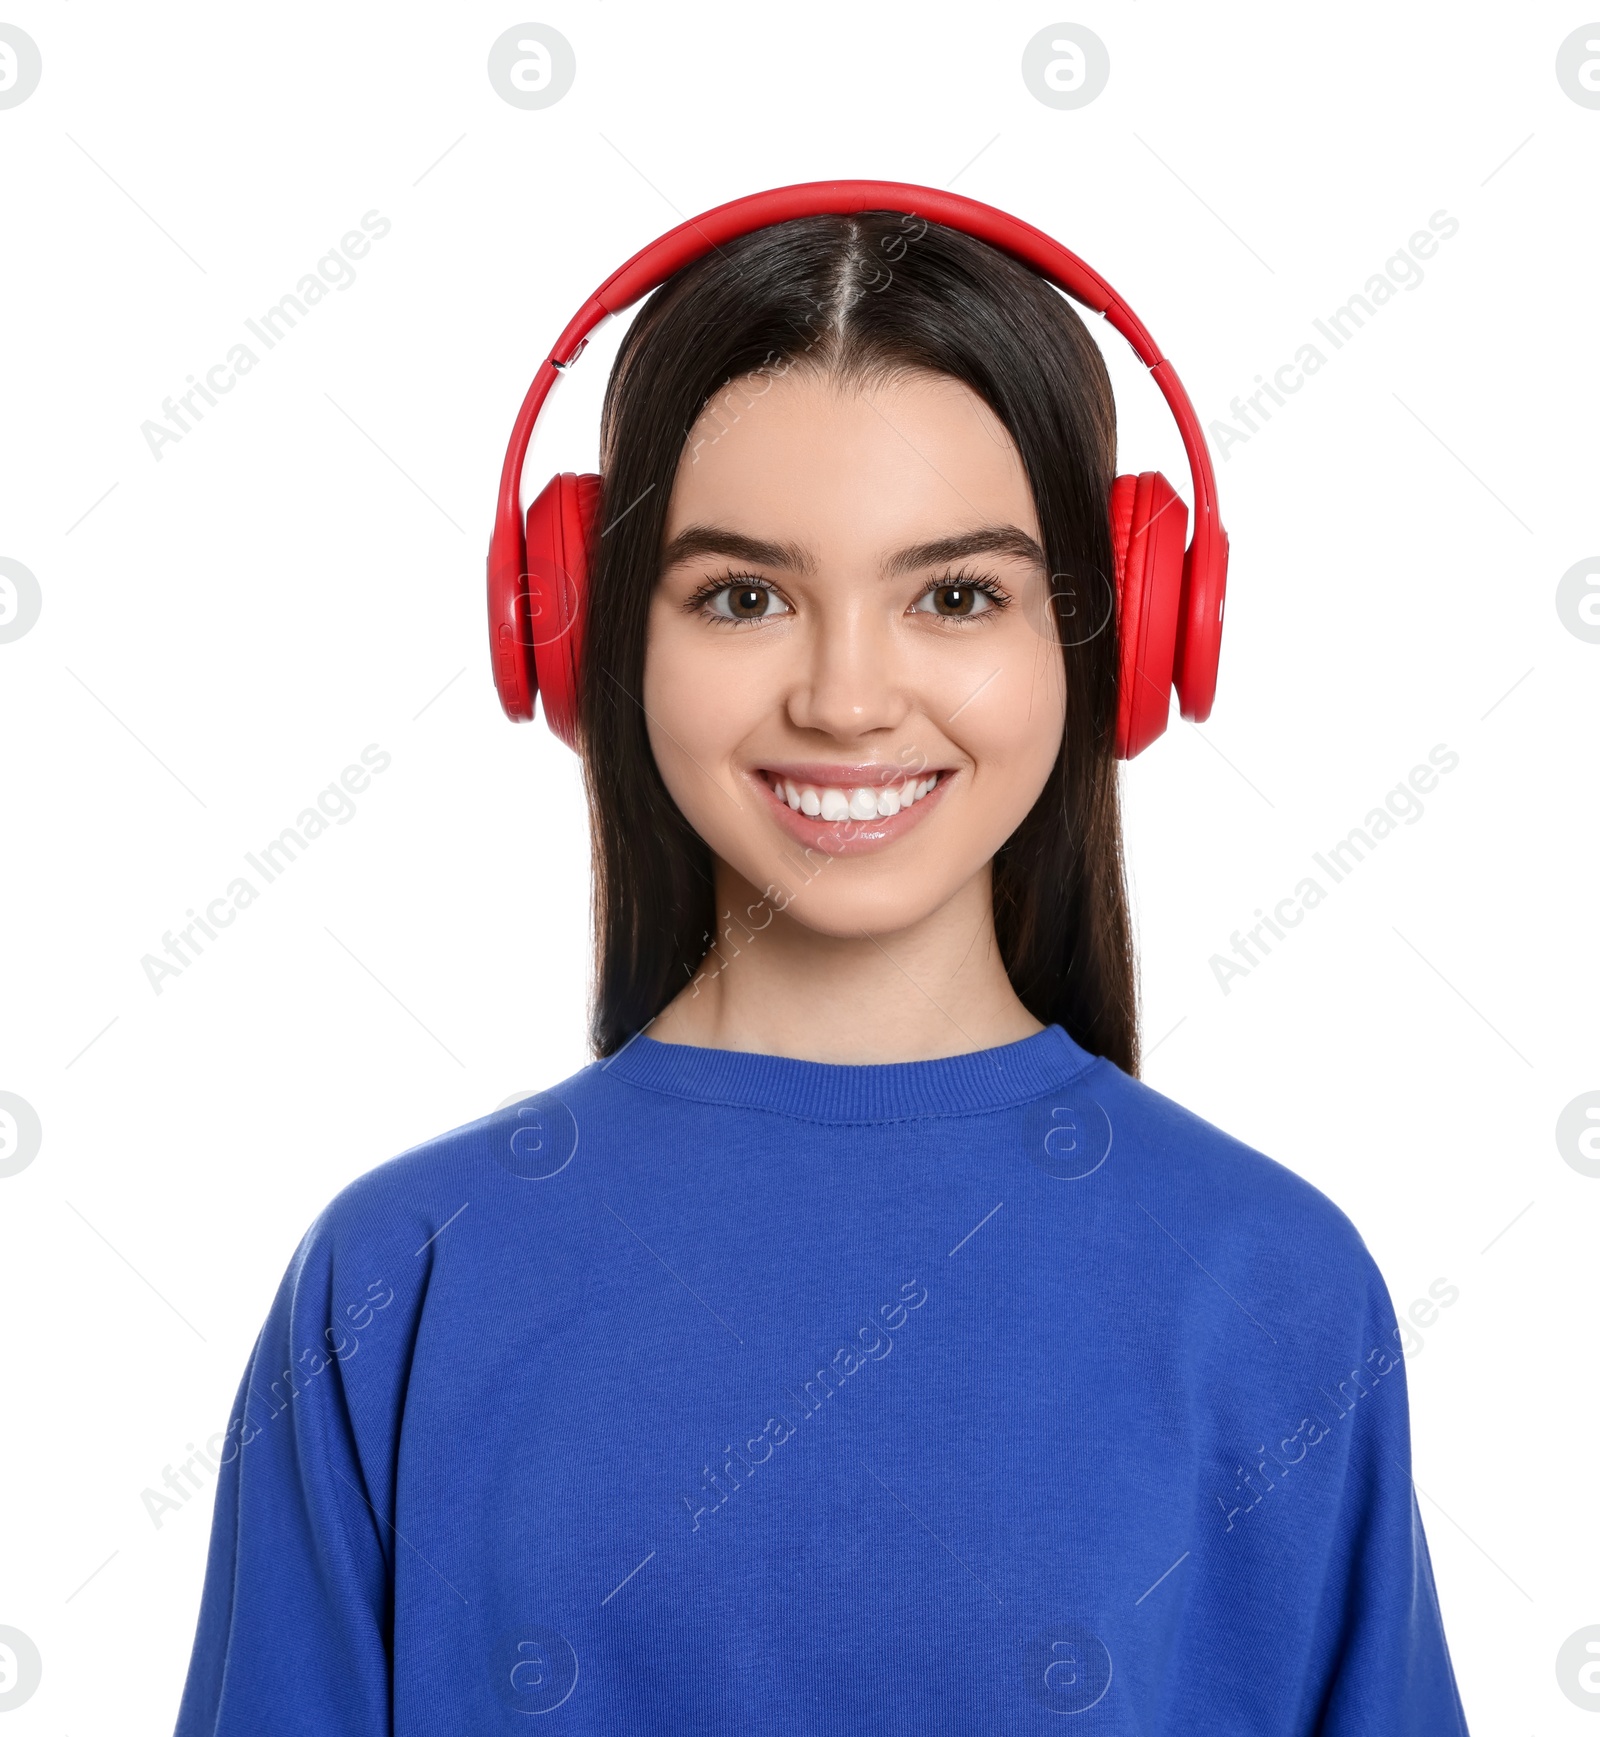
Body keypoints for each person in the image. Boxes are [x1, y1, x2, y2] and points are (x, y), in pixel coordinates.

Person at [173, 199, 1470, 1734]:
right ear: (587, 636)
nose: (849, 698)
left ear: (1112, 638)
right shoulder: (400, 1281)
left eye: (956, 594)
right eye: (744, 596)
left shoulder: (1274, 1290)